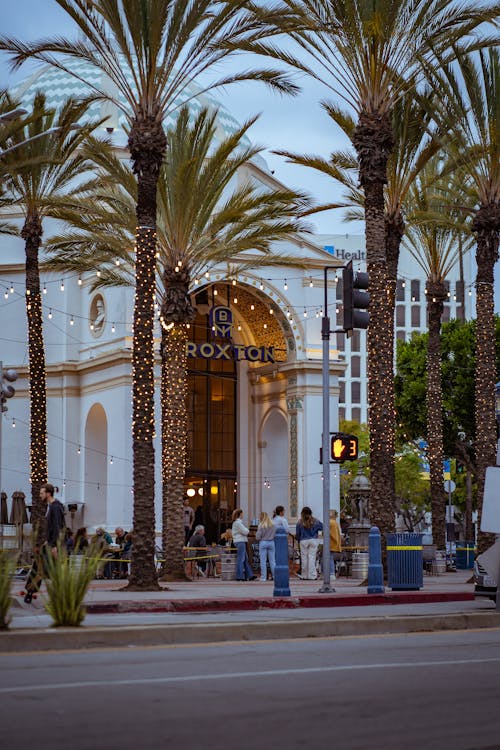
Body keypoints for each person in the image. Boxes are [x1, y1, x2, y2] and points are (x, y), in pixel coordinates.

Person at [295, 506, 323, 580]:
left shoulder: (299, 522)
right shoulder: (315, 521)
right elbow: (323, 527)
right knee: (312, 557)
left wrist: (298, 539)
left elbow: (297, 534)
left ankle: (304, 575)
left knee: (304, 558)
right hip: (313, 540)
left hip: (303, 541)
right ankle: (312, 575)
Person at [231, 509, 256, 581]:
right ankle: (239, 576)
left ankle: (249, 575)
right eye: (242, 514)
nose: (243, 515)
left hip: (240, 541)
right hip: (240, 541)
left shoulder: (237, 523)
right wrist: (247, 529)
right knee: (241, 559)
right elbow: (246, 532)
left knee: (245, 559)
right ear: (239, 514)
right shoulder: (238, 523)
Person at [255, 511, 276, 582]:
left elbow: (257, 537)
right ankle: (274, 576)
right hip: (271, 543)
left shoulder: (261, 525)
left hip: (263, 542)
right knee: (272, 561)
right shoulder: (273, 525)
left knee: (263, 561)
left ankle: (263, 577)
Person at [329, 509, 343, 582]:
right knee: (330, 558)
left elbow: (333, 534)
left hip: (331, 543)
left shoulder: (331, 522)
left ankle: (331, 573)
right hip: (333, 543)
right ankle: (331, 573)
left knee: (329, 558)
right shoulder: (335, 523)